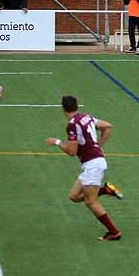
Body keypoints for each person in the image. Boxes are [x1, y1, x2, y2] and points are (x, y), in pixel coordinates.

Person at [44, 95, 123, 241]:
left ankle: (114, 232)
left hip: (93, 165)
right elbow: (107, 126)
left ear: (63, 109)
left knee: (90, 202)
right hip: (92, 164)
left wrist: (57, 142)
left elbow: (71, 152)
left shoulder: (72, 125)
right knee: (74, 196)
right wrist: (98, 146)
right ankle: (106, 190)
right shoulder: (86, 117)